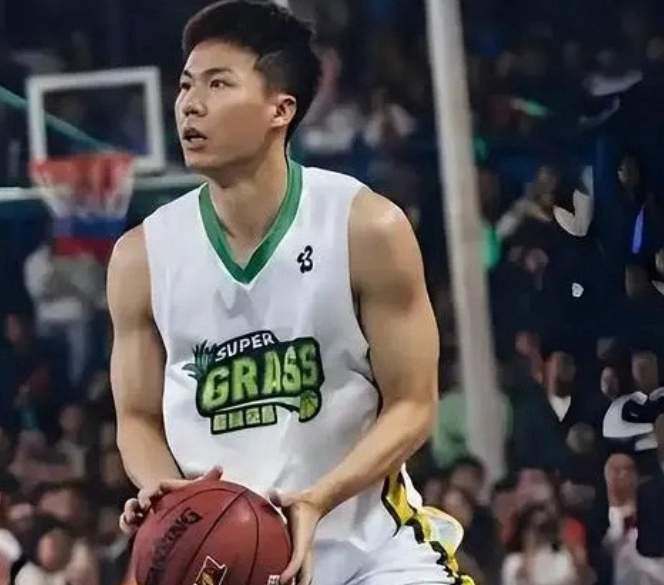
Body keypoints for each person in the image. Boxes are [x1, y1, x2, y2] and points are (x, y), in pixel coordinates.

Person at [108, 2, 468, 585]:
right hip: (229, 564)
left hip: (371, 554)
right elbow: (137, 417)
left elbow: (413, 405)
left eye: (218, 84)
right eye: (186, 85)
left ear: (281, 109)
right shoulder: (140, 257)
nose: (190, 104)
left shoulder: (366, 227)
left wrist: (317, 499)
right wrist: (162, 492)